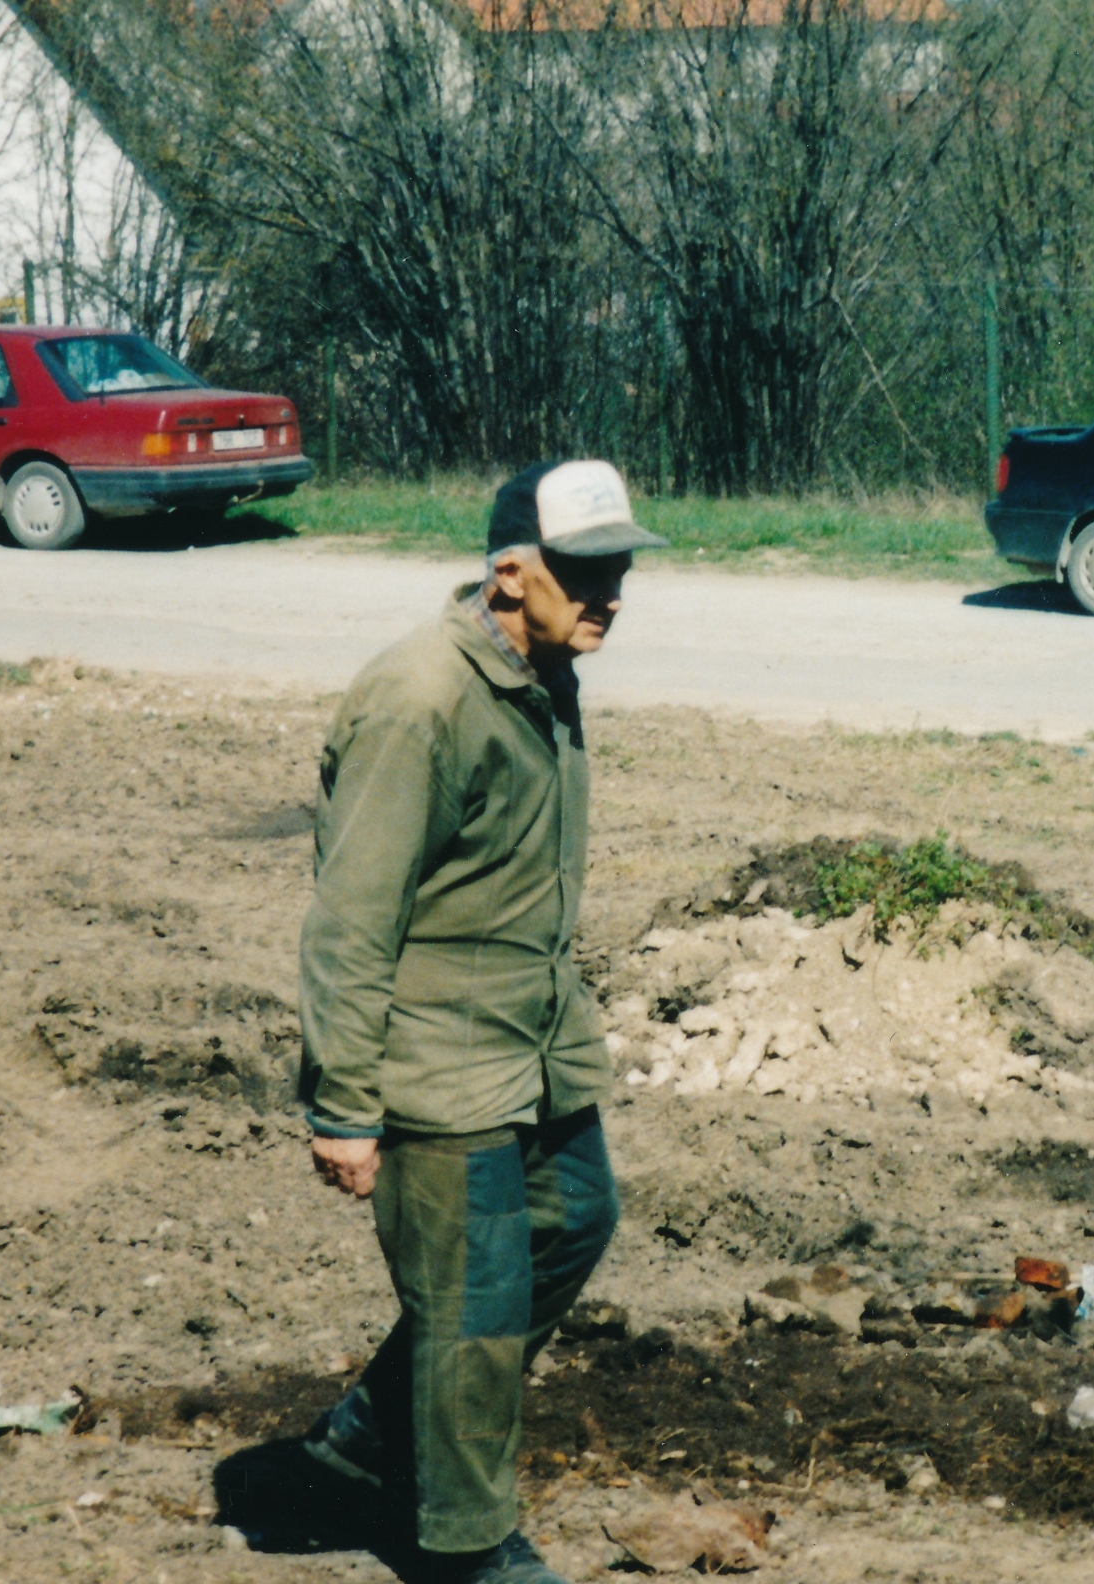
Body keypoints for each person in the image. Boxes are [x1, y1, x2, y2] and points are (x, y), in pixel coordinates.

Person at [294, 459, 664, 1584]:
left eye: (618, 569)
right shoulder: (420, 700)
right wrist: (345, 1103)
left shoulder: (544, 667)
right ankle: (465, 1545)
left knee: (574, 1219)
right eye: (584, 571)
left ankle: (371, 1432)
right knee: (474, 1299)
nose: (609, 593)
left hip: (532, 1039)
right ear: (511, 572)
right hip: (435, 1054)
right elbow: (351, 918)